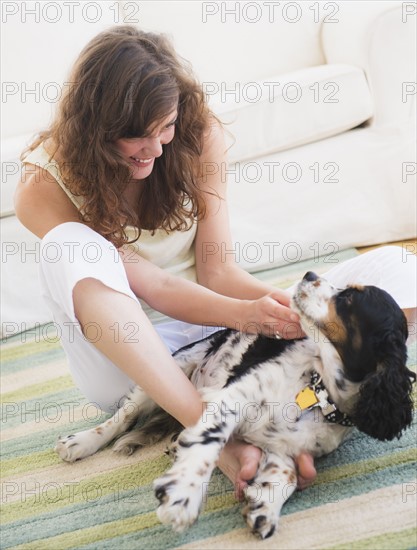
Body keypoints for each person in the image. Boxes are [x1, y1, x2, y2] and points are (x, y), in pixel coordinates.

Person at [14, 25, 416, 499]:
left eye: (163, 127)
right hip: (132, 354)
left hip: (221, 334)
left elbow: (218, 272)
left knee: (394, 267)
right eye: (134, 137)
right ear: (95, 130)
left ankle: (300, 422)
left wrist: (290, 311)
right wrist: (248, 315)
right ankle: (216, 439)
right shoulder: (41, 185)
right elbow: (155, 287)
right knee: (68, 245)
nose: (156, 148)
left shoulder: (195, 133)